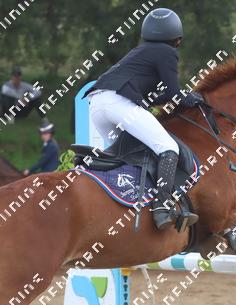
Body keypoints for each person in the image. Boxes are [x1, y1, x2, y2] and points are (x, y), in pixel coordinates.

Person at [84, 7, 202, 231]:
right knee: (168, 148)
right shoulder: (167, 52)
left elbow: (157, 97)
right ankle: (162, 208)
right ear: (177, 39)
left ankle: (126, 204)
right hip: (118, 103)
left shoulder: (140, 51)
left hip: (97, 105)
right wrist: (194, 99)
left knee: (132, 154)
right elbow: (175, 94)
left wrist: (181, 97)